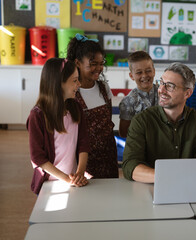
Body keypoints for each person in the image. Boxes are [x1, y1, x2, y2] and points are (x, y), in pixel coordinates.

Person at [122, 62, 196, 183]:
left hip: (190, 188)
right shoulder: (142, 121)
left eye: (170, 86)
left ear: (187, 93)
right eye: (161, 83)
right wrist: (169, 177)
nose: (161, 90)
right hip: (150, 188)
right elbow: (130, 165)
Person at [27, 58, 89, 194]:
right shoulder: (37, 116)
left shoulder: (76, 107)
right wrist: (67, 179)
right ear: (58, 83)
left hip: (73, 181)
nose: (79, 84)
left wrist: (79, 173)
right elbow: (37, 157)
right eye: (74, 80)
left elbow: (83, 142)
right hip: (50, 184)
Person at [67, 33, 118, 178]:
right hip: (84, 157)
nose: (98, 68)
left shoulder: (103, 87)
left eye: (101, 64)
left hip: (108, 152)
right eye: (93, 64)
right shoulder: (72, 92)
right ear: (77, 63)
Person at [118, 51, 158, 137]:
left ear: (154, 71)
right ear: (131, 76)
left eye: (148, 71)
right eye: (139, 72)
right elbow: (123, 133)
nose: (144, 75)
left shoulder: (164, 94)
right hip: (140, 146)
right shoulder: (128, 102)